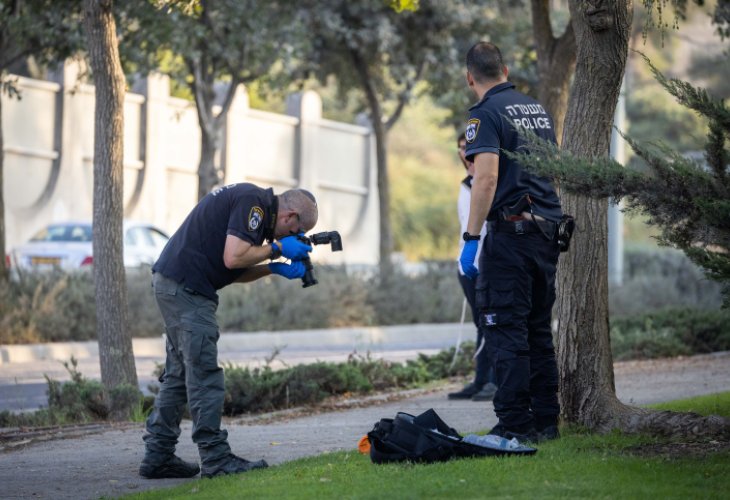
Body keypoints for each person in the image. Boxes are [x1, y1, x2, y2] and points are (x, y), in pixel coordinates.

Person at [139, 183, 319, 479]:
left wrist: (273, 267)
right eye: (295, 232)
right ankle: (216, 459)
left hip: (174, 285)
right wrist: (276, 249)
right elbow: (233, 257)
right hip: (187, 291)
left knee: (178, 376)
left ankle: (158, 456)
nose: (292, 238)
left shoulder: (255, 207)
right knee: (204, 375)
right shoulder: (254, 205)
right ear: (289, 216)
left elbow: (232, 269)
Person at [459, 42, 562, 442]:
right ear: (506, 67)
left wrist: (471, 237)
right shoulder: (536, 109)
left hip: (511, 235)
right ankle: (547, 421)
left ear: (471, 78)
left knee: (506, 328)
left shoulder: (483, 116)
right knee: (538, 329)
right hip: (546, 232)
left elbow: (484, 179)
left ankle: (516, 424)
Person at [448, 132, 498, 402]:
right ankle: (480, 381)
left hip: (487, 264)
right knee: (481, 323)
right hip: (466, 264)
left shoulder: (490, 183)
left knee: (492, 321)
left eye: (470, 148)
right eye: (461, 148)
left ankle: (494, 381)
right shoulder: (465, 185)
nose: (465, 153)